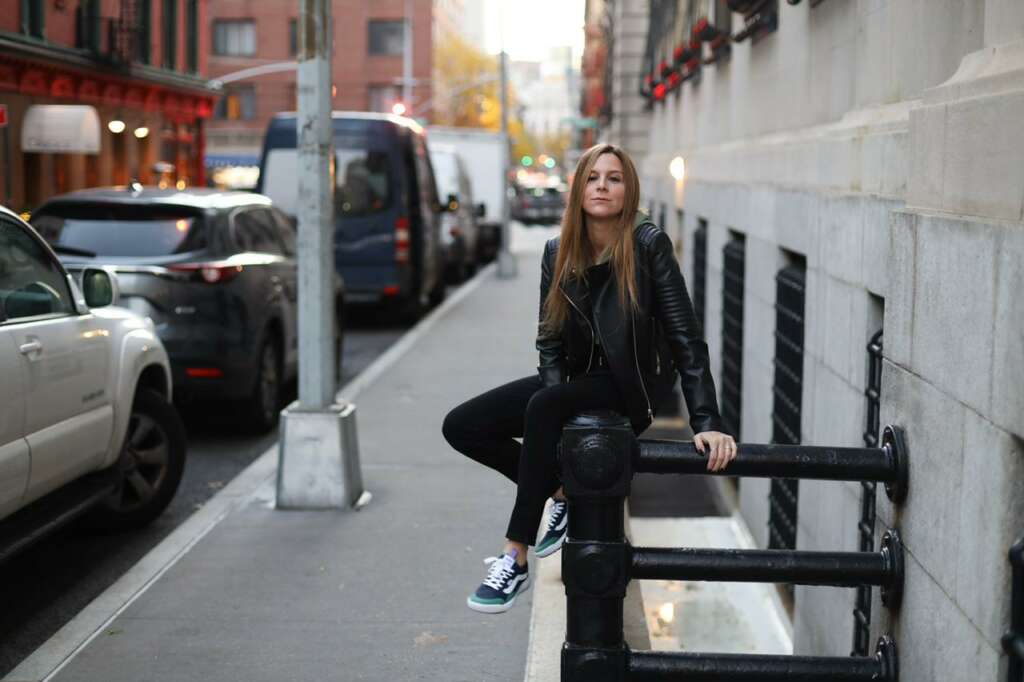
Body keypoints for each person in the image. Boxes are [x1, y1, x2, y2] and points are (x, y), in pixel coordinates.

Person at [442, 143, 737, 614]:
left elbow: (686, 338)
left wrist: (707, 420)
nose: (602, 185)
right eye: (593, 177)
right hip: (574, 382)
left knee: (543, 406)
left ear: (628, 190)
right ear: (579, 188)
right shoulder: (557, 251)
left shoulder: (648, 244)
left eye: (614, 178)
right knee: (462, 425)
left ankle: (514, 555)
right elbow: (549, 340)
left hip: (629, 385)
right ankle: (561, 488)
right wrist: (557, 393)